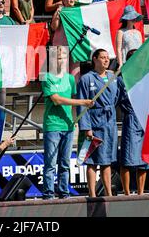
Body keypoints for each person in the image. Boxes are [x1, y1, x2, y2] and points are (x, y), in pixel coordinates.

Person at [42, 46, 94, 199]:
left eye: (64, 56)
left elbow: (71, 102)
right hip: (53, 125)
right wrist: (82, 102)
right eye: (58, 56)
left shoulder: (70, 78)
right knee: (50, 163)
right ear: (52, 59)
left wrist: (80, 114)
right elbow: (57, 100)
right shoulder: (46, 77)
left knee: (65, 163)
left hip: (68, 125)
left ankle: (64, 193)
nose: (62, 59)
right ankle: (48, 194)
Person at [77, 49, 120, 197]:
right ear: (95, 59)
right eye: (102, 57)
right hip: (94, 122)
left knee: (106, 160)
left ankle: (108, 193)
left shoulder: (112, 77)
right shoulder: (86, 78)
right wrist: (86, 128)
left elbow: (118, 97)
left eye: (107, 58)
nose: (106, 60)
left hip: (109, 122)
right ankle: (92, 193)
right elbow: (82, 104)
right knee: (92, 160)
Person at [118, 49, 149, 195]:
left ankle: (141, 192)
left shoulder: (147, 77)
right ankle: (127, 192)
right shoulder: (122, 79)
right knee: (127, 159)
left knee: (144, 160)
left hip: (145, 118)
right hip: (131, 118)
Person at [50, 0, 80, 82]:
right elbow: (54, 27)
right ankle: (60, 94)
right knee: (59, 73)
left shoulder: (78, 12)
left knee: (75, 74)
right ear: (63, 1)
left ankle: (73, 94)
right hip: (60, 45)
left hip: (75, 45)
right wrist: (57, 14)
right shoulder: (60, 11)